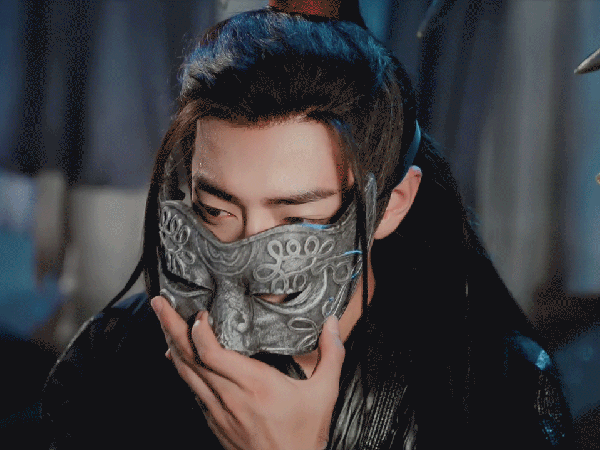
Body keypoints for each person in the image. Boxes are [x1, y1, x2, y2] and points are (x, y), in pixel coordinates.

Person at [41, 6, 573, 449]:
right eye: (216, 210)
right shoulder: (109, 360)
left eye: (295, 219)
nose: (248, 261)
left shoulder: (501, 393)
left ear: (392, 205)